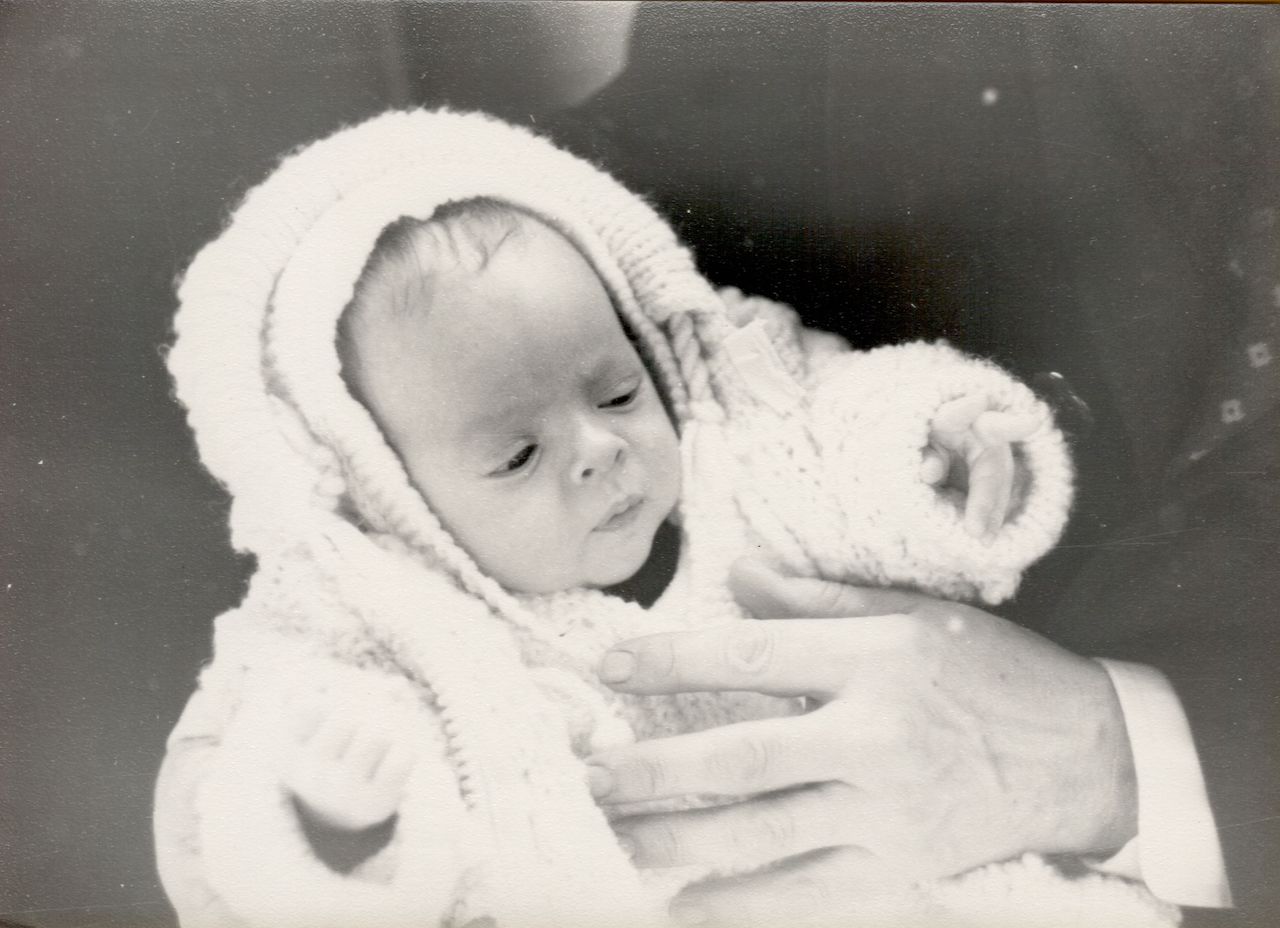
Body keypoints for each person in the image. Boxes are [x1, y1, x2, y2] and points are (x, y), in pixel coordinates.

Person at [152, 108, 1174, 928]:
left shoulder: (737, 458)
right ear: (387, 491)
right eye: (516, 452)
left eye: (614, 392)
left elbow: (832, 437)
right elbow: (230, 826)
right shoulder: (390, 639)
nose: (598, 450)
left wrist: (937, 453)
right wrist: (339, 822)